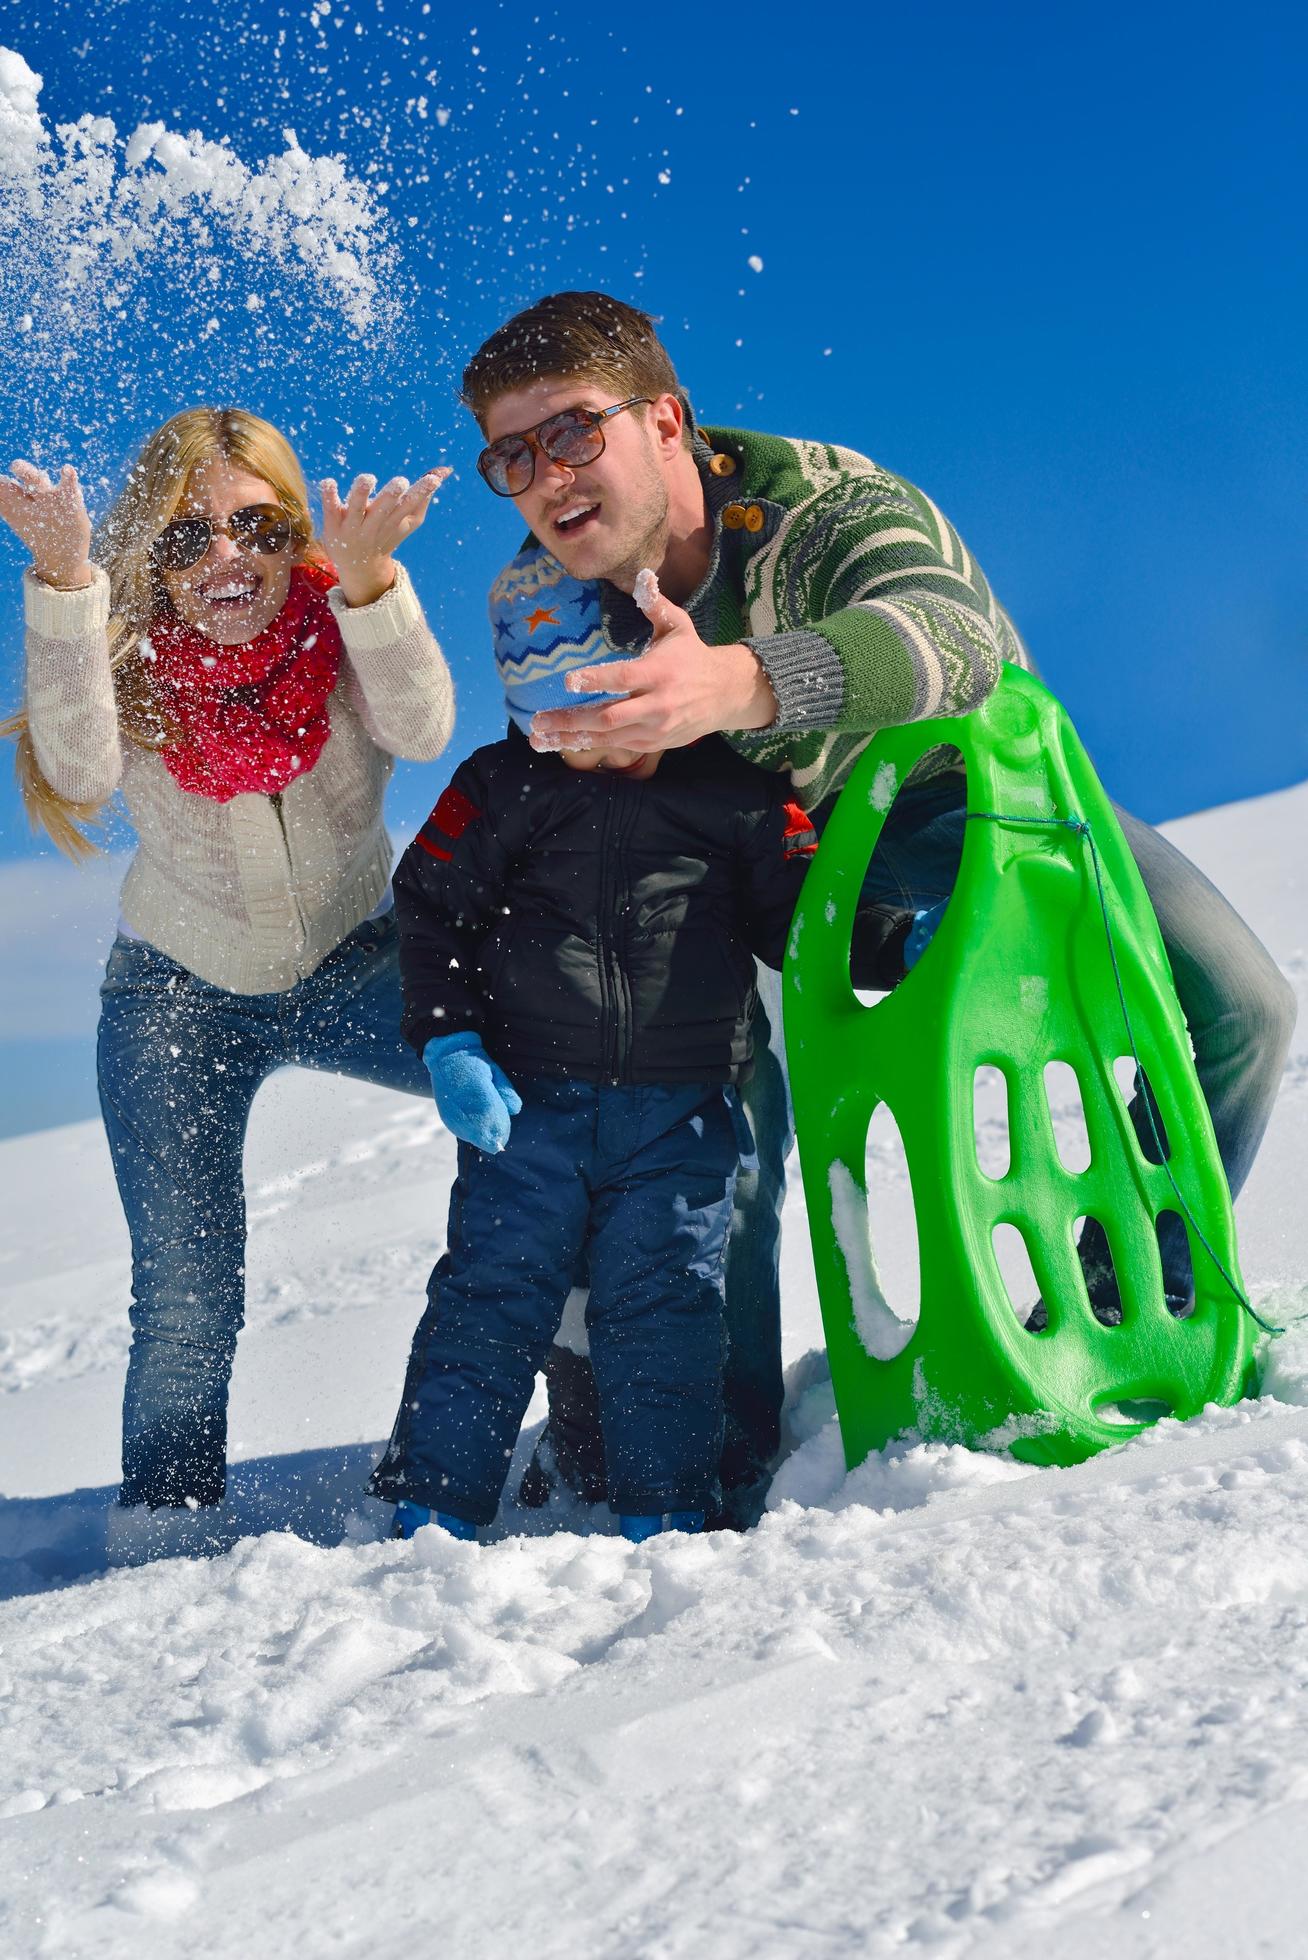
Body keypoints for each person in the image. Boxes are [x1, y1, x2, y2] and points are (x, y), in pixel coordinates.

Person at [458, 290, 1298, 1527]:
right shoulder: (546, 593)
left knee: (1240, 1004)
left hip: (970, 808)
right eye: (511, 455)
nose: (544, 477)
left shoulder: (827, 504)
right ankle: (709, 1448)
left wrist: (735, 683)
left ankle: (1123, 1307)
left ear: (668, 420)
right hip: (777, 860)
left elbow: (951, 641)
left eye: (573, 431)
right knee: (709, 1108)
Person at [2, 408, 456, 1563]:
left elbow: (426, 721)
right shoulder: (131, 651)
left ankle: (456, 1446)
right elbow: (79, 766)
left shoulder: (343, 621)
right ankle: (165, 1538)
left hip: (360, 957)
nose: (227, 560)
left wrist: (372, 586)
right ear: (148, 552)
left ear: (296, 532)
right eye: (187, 538)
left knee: (545, 1120)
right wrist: (63, 581)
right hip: (177, 990)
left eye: (257, 526)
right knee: (189, 1287)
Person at [367, 559, 891, 1541]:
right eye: (566, 724)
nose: (597, 747)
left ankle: (666, 1515)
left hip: (680, 1112)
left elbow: (804, 921)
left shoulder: (736, 792)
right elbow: (431, 905)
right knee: (489, 1301)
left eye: (615, 714)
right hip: (526, 1110)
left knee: (667, 1316)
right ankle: (431, 1508)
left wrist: (895, 939)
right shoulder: (501, 786)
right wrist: (451, 1043)